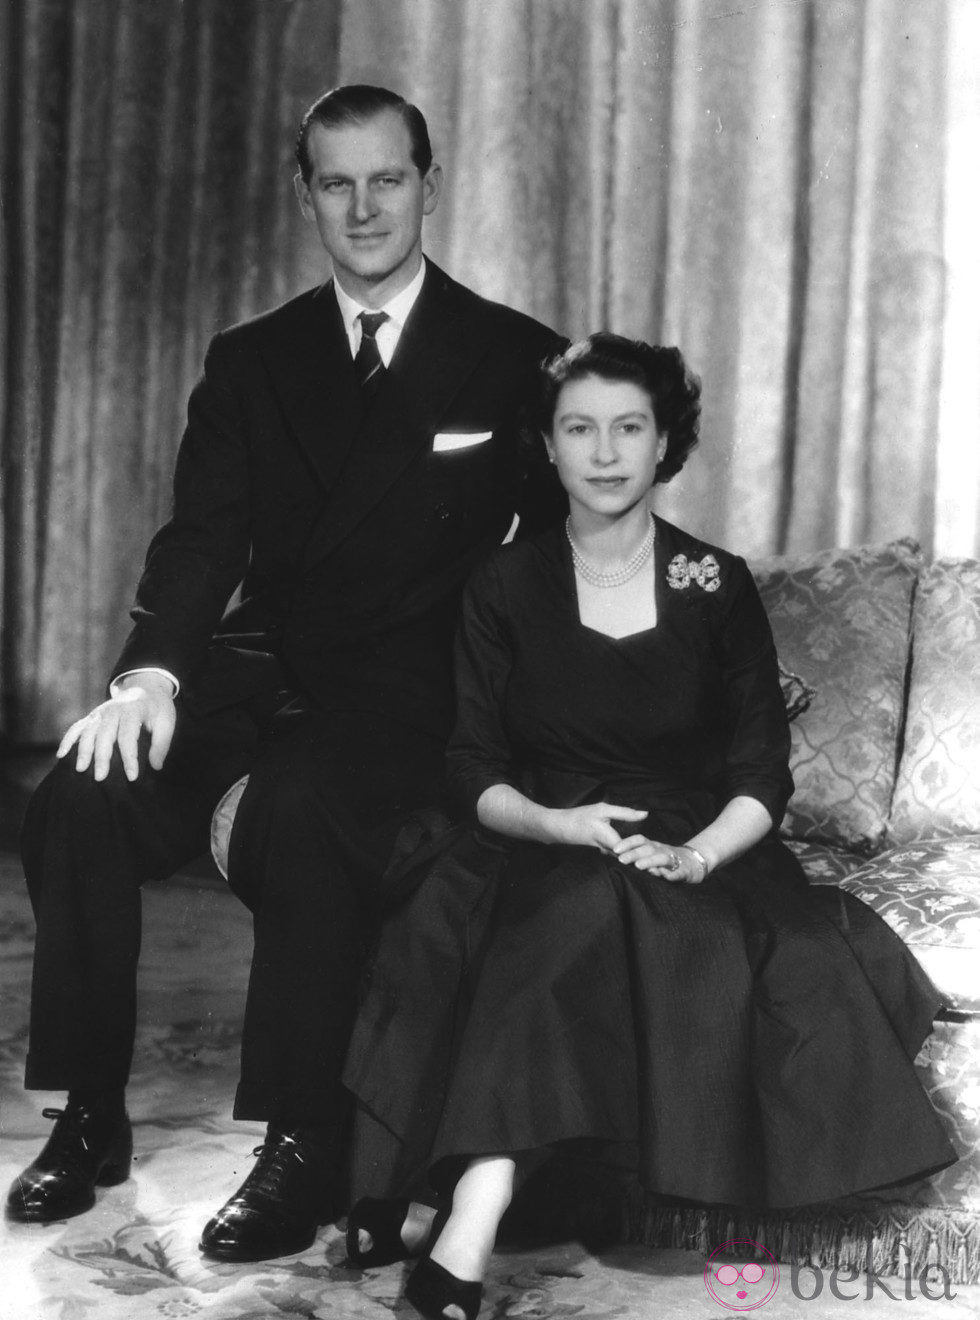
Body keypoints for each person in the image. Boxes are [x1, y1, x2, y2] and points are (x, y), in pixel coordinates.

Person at [5, 84, 565, 1262]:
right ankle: (92, 1115)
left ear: (429, 183)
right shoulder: (252, 358)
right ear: (302, 192)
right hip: (258, 665)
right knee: (77, 792)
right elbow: (203, 538)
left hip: (408, 686)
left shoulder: (514, 356)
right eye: (335, 182)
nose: (363, 207)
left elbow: (557, 564)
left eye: (387, 179)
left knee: (309, 810)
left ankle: (300, 1144)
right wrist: (150, 676)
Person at [340, 334, 957, 1320]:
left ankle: (473, 1198)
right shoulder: (502, 584)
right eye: (577, 428)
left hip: (693, 840)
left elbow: (761, 772)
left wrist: (695, 850)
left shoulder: (710, 584)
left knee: (593, 915)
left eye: (628, 427)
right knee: (541, 907)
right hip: (538, 827)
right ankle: (479, 1190)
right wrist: (553, 821)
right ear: (545, 445)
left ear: (664, 442)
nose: (603, 451)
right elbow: (469, 766)